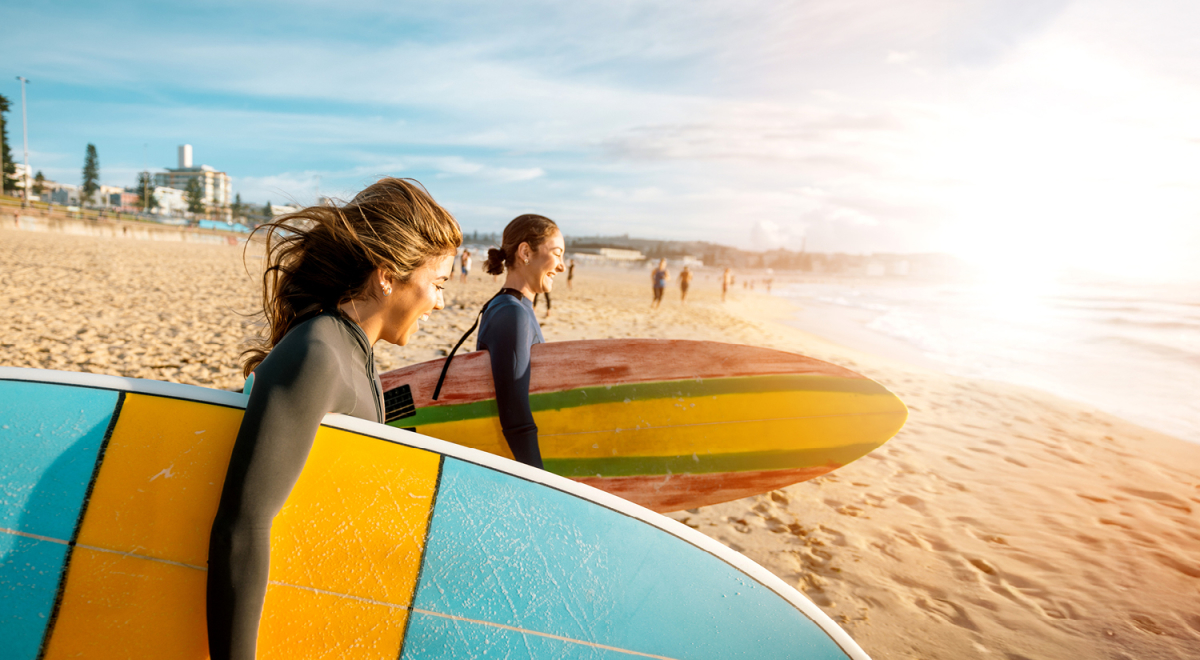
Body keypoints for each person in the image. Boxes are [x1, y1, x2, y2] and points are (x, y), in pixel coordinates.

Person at [206, 177, 461, 660]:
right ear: (387, 275)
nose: (441, 301)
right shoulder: (318, 353)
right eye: (439, 282)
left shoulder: (359, 359)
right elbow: (243, 526)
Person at [478, 214, 565, 468]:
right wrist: (540, 482)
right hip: (515, 465)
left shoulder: (512, 307)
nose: (561, 266)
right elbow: (516, 418)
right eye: (557, 253)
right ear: (525, 252)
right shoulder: (512, 313)